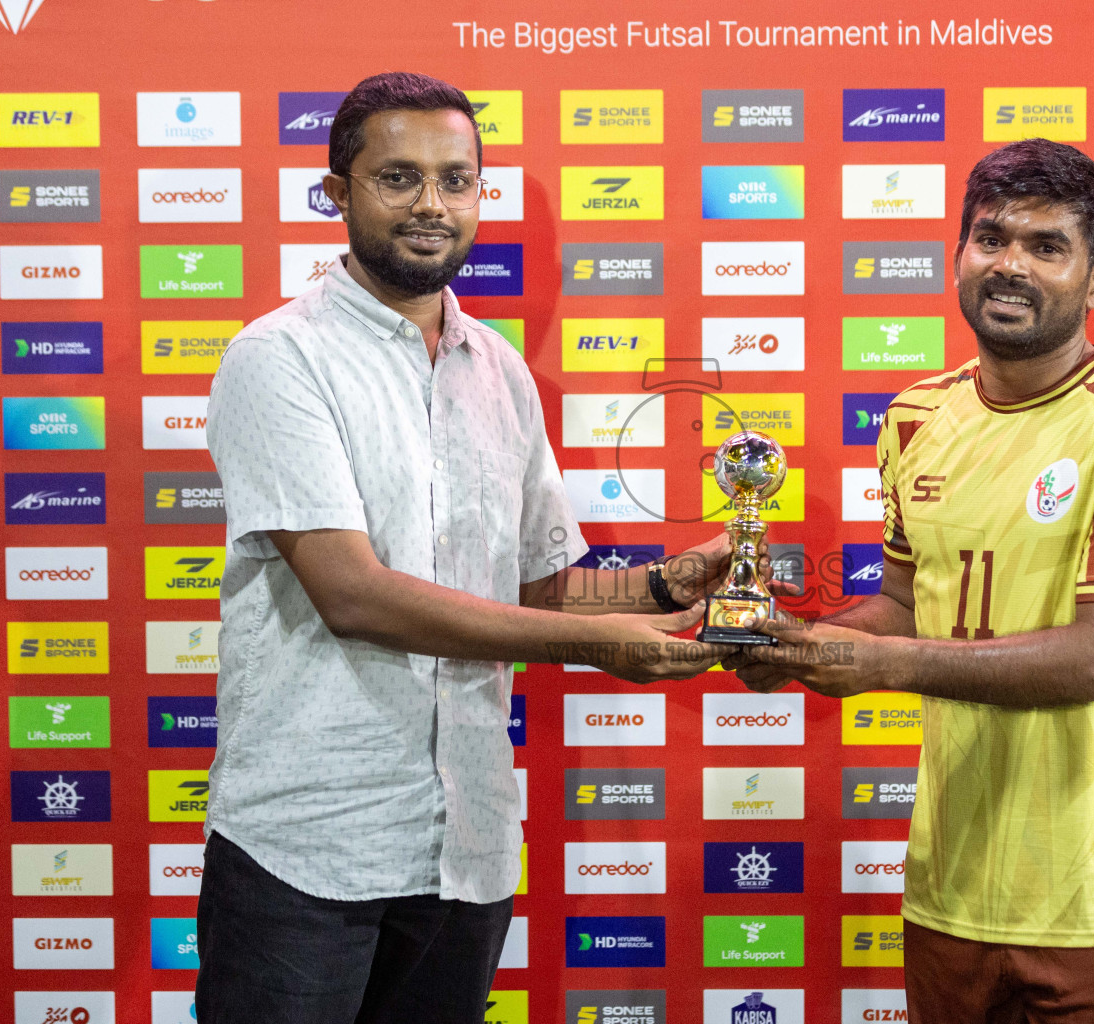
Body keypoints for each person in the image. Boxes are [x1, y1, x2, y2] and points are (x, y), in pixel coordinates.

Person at [198, 71, 736, 1024]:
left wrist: (660, 587)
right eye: (398, 177)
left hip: (468, 844)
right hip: (309, 843)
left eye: (458, 179)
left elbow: (536, 585)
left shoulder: (502, 372)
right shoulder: (279, 357)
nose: (431, 205)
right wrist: (599, 648)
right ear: (338, 190)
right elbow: (353, 594)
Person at [730, 139, 1094, 1024]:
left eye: (1046, 246)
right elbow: (905, 606)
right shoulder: (916, 418)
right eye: (990, 238)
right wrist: (802, 643)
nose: (1011, 265)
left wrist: (881, 665)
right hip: (949, 889)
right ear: (958, 254)